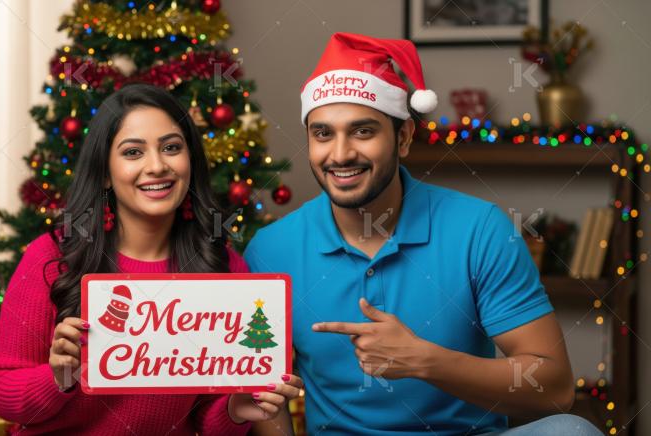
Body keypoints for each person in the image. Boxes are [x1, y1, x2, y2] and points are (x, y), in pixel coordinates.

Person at [244, 33, 602, 435]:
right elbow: (262, 395)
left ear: (404, 137)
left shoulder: (478, 229)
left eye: (363, 132)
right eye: (323, 133)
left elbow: (554, 389)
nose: (340, 154)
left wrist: (425, 360)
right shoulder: (271, 250)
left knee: (571, 430)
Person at [0, 83, 303, 435]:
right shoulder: (52, 257)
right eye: (133, 152)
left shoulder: (224, 268)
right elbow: (0, 393)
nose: (157, 166)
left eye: (171, 148)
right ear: (105, 172)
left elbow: (208, 422)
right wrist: (59, 377)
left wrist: (234, 410)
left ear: (190, 162)